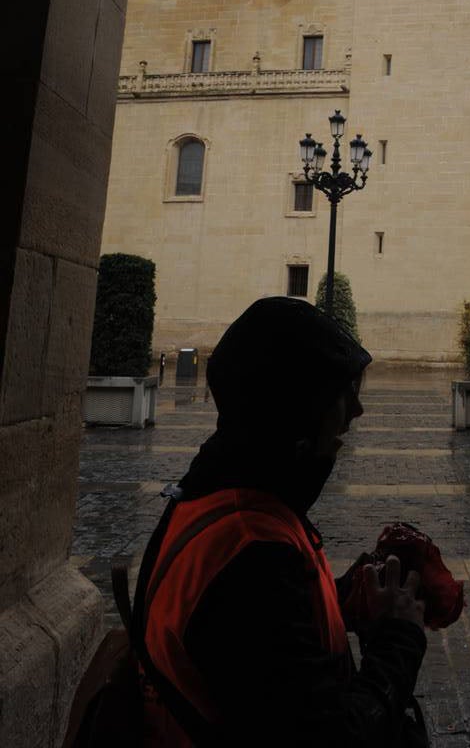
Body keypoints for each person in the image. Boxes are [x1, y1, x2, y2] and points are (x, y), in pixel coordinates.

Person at [135, 296, 428, 746]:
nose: (356, 411)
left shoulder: (221, 497)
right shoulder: (252, 553)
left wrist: (343, 596)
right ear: (298, 407)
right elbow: (332, 736)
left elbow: (263, 645)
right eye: (343, 392)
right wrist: (399, 639)